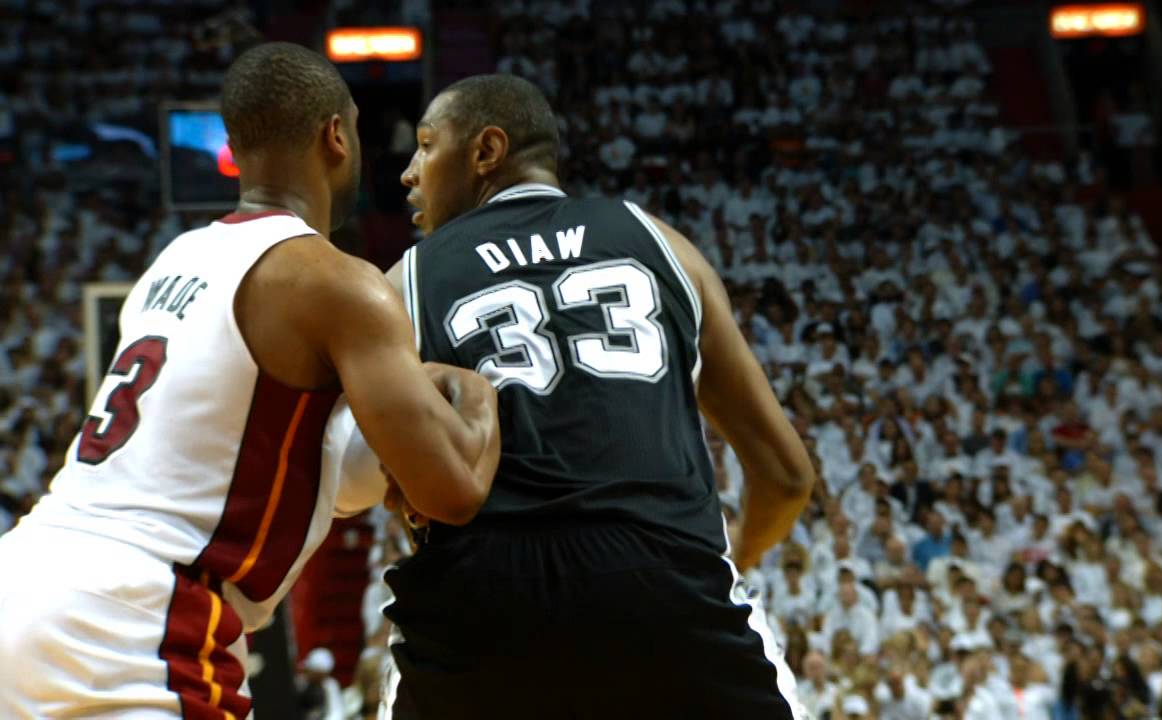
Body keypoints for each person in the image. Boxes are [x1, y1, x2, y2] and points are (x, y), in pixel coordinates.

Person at [0, 43, 500, 719]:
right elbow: (452, 491)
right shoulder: (336, 280)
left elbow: (290, 464)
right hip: (132, 623)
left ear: (235, 146)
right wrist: (477, 388)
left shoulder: (171, 263)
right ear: (337, 136)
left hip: (26, 570)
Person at [382, 74, 815, 718]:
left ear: (486, 151)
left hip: (486, 614)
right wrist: (736, 561)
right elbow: (785, 476)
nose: (409, 173)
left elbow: (404, 493)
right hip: (669, 596)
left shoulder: (404, 283)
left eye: (425, 146)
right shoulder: (661, 243)